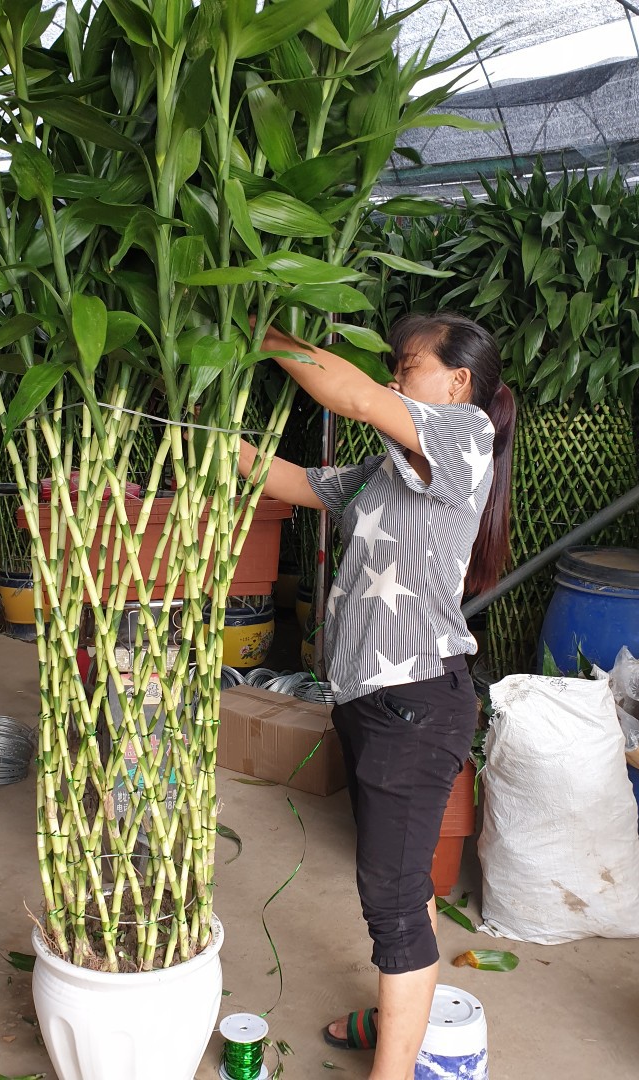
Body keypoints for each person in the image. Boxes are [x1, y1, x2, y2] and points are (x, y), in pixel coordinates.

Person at [239, 312, 515, 1080]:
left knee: (390, 902)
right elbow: (290, 482)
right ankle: (401, 1013)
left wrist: (262, 336)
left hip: (417, 699)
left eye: (408, 365)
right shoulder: (386, 468)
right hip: (372, 698)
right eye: (393, 368)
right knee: (403, 879)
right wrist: (210, 436)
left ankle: (395, 1068)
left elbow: (355, 397)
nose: (395, 378)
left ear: (458, 381)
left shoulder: (463, 435)